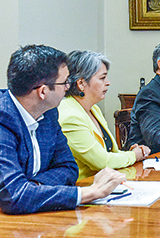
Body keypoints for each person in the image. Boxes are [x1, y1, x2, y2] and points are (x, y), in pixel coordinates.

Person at [0, 45, 125, 215]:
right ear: (43, 91)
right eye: (64, 82)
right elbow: (15, 196)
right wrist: (89, 193)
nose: (69, 86)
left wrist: (34, 187)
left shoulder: (48, 113)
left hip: (30, 217)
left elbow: (68, 168)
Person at [58, 51, 151, 180]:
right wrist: (134, 155)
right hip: (84, 187)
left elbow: (112, 153)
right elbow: (103, 162)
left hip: (106, 183)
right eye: (102, 78)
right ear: (81, 84)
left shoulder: (94, 109)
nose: (108, 83)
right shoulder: (70, 116)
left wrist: (131, 152)